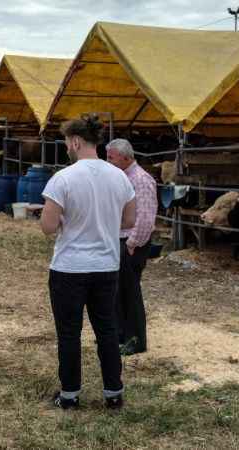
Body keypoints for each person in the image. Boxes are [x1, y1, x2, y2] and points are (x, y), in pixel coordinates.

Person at [40, 115, 136, 410]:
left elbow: (47, 226)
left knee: (69, 332)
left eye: (68, 142)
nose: (67, 147)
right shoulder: (119, 176)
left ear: (76, 141)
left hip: (70, 267)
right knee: (107, 330)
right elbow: (129, 220)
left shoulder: (64, 178)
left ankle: (69, 395)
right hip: (106, 265)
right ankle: (113, 392)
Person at [106, 138, 157, 356]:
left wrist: (133, 243)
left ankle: (135, 340)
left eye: (111, 157)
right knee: (117, 291)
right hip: (121, 239)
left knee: (130, 291)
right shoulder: (122, 177)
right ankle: (120, 334)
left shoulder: (141, 180)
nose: (107, 161)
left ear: (126, 157)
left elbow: (145, 217)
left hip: (131, 242)